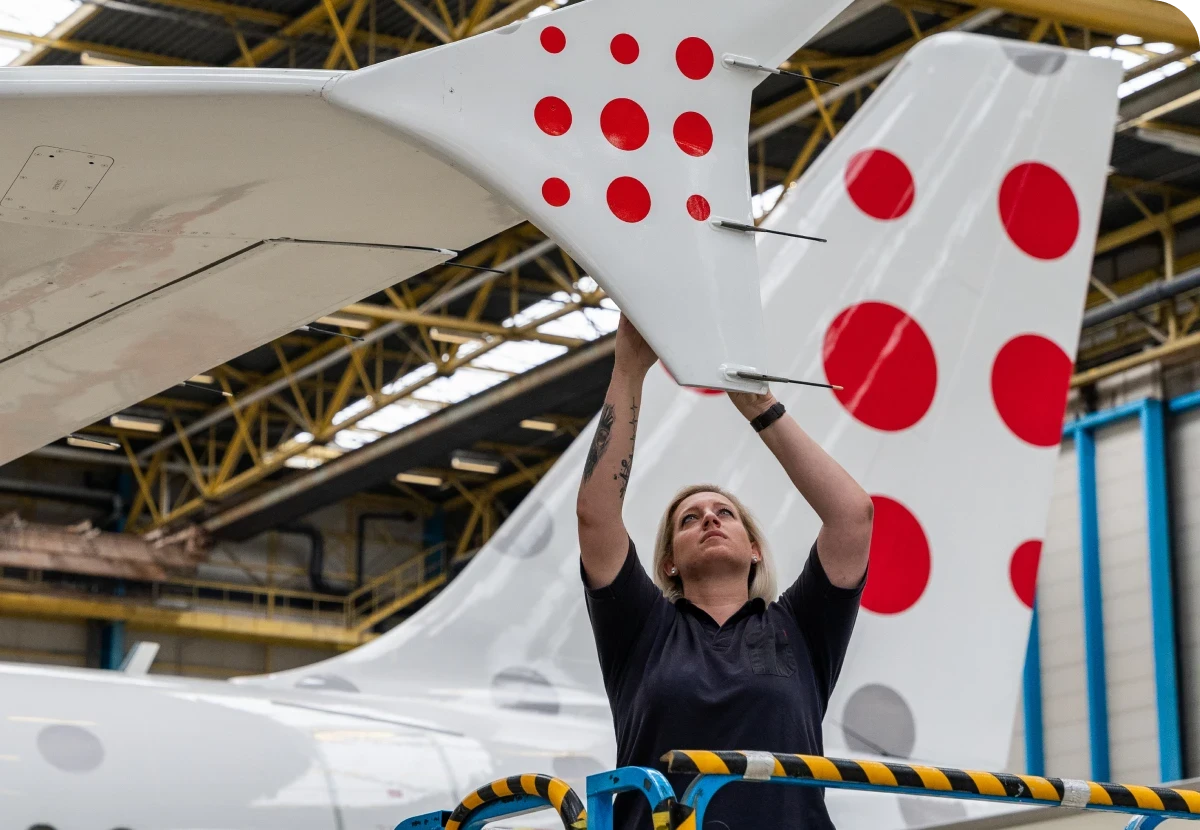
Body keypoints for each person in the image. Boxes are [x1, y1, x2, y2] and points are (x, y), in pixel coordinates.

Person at [577, 317, 874, 830]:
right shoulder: (642, 631)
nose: (709, 518)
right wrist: (628, 370)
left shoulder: (798, 629)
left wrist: (759, 406)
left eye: (725, 513)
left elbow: (852, 515)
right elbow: (596, 518)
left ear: (755, 549)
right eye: (688, 519)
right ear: (669, 560)